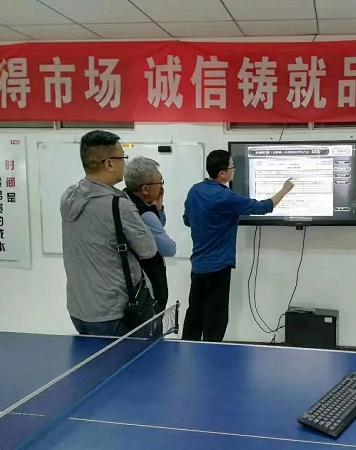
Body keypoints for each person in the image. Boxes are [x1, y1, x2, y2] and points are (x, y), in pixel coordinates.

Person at [182, 149, 294, 342]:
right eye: (232, 167)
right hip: (218, 267)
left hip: (198, 265)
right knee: (216, 318)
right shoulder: (226, 197)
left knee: (195, 313)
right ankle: (212, 353)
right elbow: (263, 207)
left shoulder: (195, 190)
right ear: (222, 173)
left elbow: (187, 220)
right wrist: (285, 189)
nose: (234, 170)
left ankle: (188, 349)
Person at [61, 130, 157, 337]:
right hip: (115, 311)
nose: (125, 164)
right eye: (123, 158)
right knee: (134, 359)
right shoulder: (118, 205)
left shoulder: (69, 196)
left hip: (79, 309)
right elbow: (148, 250)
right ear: (109, 164)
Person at [123, 156, 177, 312]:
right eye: (160, 182)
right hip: (147, 283)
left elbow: (157, 227)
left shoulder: (123, 200)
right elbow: (169, 249)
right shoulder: (145, 214)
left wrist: (158, 208)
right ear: (145, 189)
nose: (161, 187)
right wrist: (154, 212)